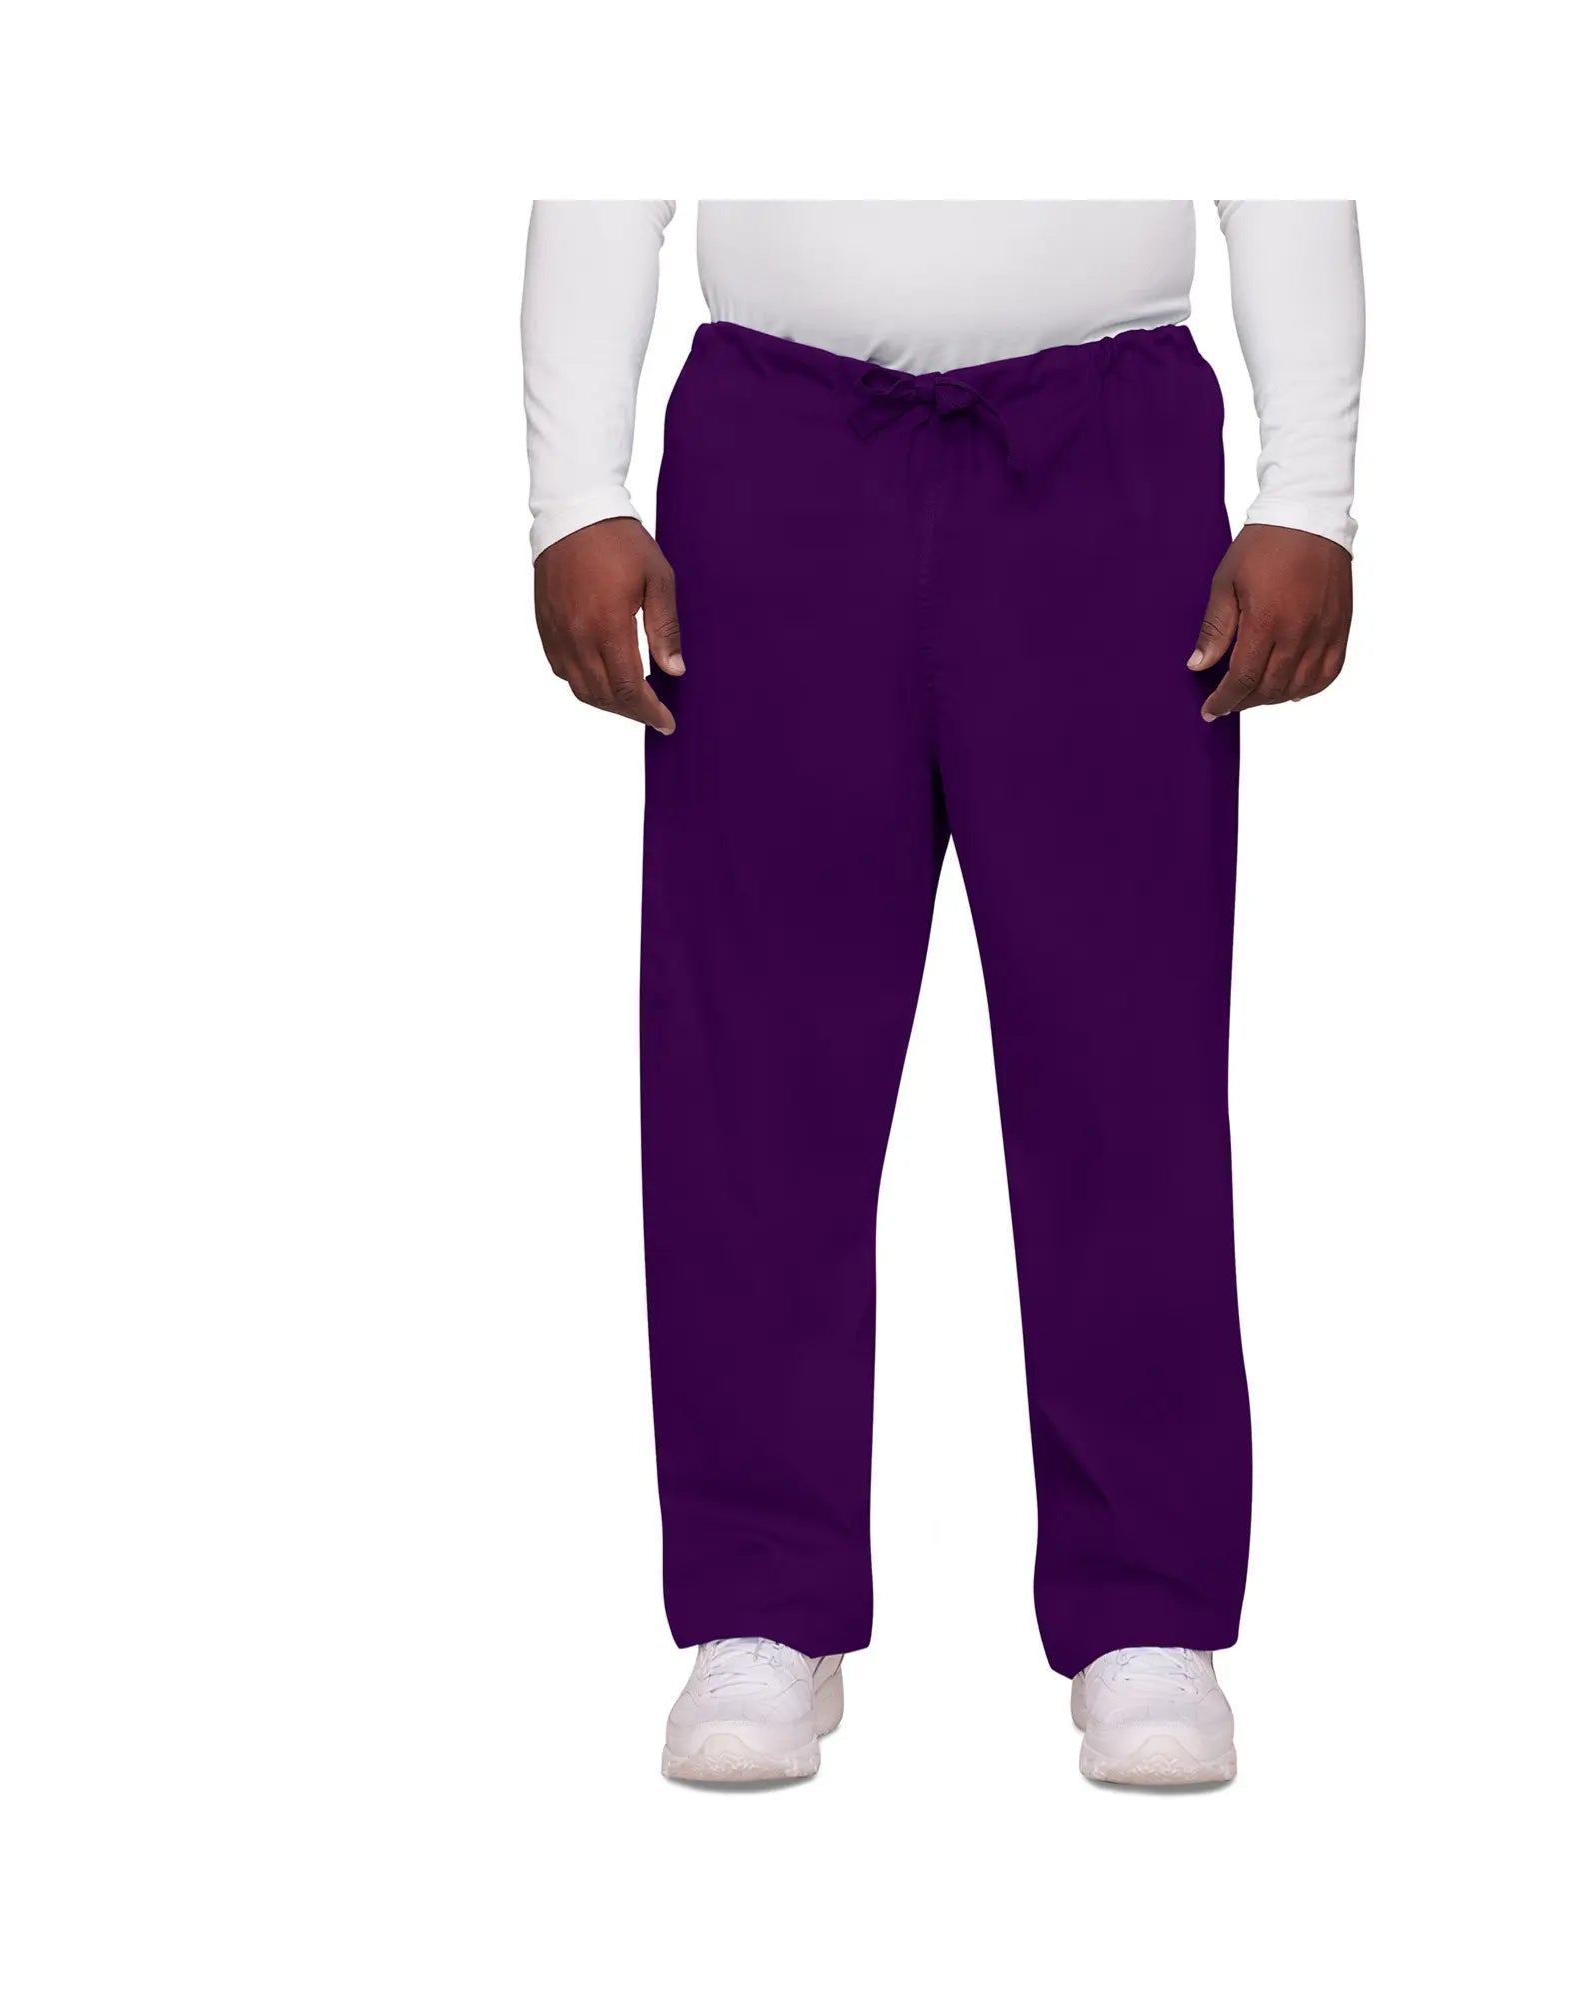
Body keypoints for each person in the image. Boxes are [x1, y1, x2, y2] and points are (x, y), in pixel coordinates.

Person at [521, 200, 1363, 1784]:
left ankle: (1148, 1612)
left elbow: (1288, 143)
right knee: (754, 1060)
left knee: (1127, 1053)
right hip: (777, 444)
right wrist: (576, 489)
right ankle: (758, 1605)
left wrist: (1308, 490)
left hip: (1106, 450)